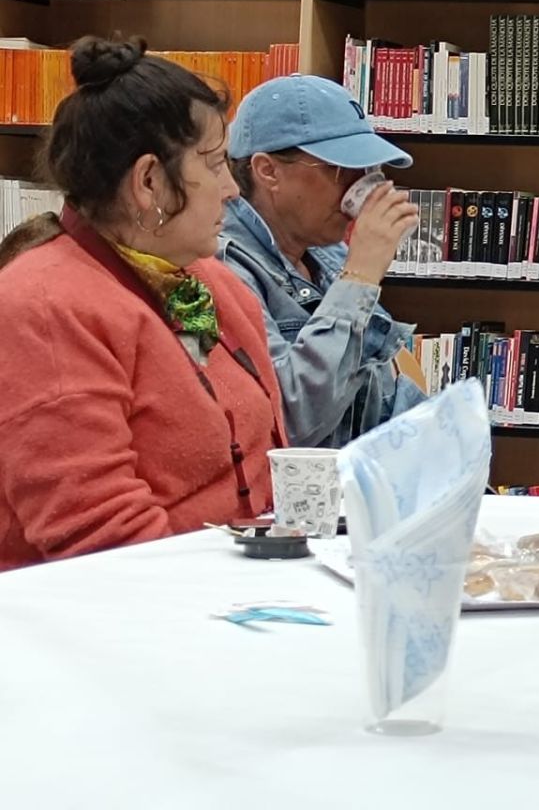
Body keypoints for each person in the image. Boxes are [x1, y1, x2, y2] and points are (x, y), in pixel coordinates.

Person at [0, 36, 285, 570]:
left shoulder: (217, 285)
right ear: (149, 181)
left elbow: (271, 471)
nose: (234, 190)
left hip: (236, 593)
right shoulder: (43, 307)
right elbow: (103, 545)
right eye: (217, 163)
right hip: (118, 623)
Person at [218, 75, 425, 447]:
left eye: (369, 171)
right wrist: (360, 277)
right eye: (341, 170)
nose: (361, 188)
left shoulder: (325, 257)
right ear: (268, 171)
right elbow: (292, 422)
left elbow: (382, 402)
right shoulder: (224, 266)